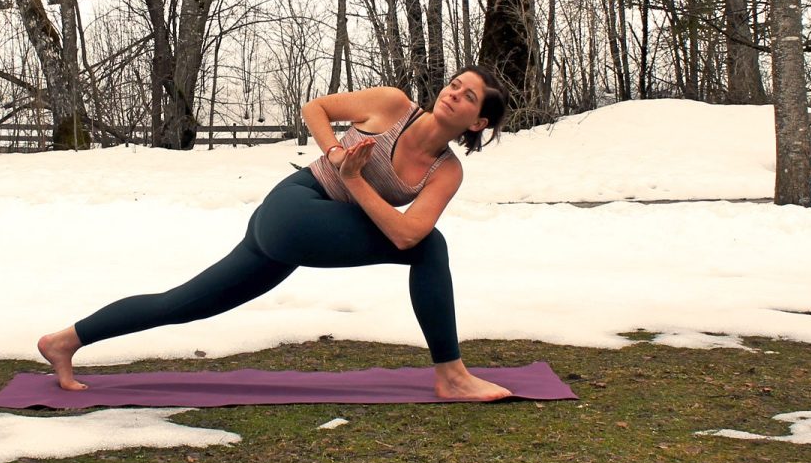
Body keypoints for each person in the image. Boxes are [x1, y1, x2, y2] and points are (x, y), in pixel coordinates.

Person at [37, 65, 512, 401]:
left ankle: (65, 341)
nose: (453, 93)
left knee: (183, 303)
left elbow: (406, 234)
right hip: (295, 209)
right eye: (454, 84)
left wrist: (354, 181)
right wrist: (336, 158)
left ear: (478, 122)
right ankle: (450, 374)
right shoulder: (392, 105)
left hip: (308, 230)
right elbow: (316, 107)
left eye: (468, 96)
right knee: (432, 246)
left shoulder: (446, 172)